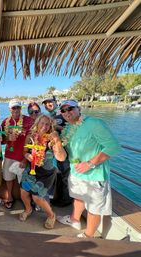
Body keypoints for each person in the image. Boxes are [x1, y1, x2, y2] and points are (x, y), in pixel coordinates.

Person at [57, 100, 120, 238]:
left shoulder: (94, 123)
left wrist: (90, 163)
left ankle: (89, 236)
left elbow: (113, 146)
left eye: (70, 108)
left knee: (94, 208)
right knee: (78, 198)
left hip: (94, 175)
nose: (67, 112)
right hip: (76, 173)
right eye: (63, 110)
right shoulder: (68, 128)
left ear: (79, 109)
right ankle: (74, 220)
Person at [20, 115, 67, 229]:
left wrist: (57, 140)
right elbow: (25, 151)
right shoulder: (30, 137)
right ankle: (28, 209)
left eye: (47, 124)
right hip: (30, 170)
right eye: (42, 123)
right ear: (37, 123)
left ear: (50, 126)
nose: (44, 126)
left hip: (46, 173)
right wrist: (27, 155)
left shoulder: (51, 140)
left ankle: (51, 215)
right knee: (23, 192)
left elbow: (62, 158)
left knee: (37, 197)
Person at [1, 99, 33, 209]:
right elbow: (2, 140)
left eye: (18, 107)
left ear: (21, 108)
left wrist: (25, 158)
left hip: (22, 157)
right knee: (8, 178)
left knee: (24, 181)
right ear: (9, 109)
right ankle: (9, 197)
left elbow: (32, 141)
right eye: (13, 108)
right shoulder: (5, 122)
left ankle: (26, 201)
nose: (16, 110)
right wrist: (7, 138)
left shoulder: (29, 121)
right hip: (9, 156)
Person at [42, 96, 72, 207]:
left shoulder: (62, 114)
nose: (48, 104)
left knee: (65, 176)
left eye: (50, 102)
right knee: (59, 173)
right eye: (46, 103)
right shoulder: (51, 116)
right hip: (56, 150)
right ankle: (60, 196)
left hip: (66, 150)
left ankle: (66, 200)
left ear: (55, 102)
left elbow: (70, 129)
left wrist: (55, 126)